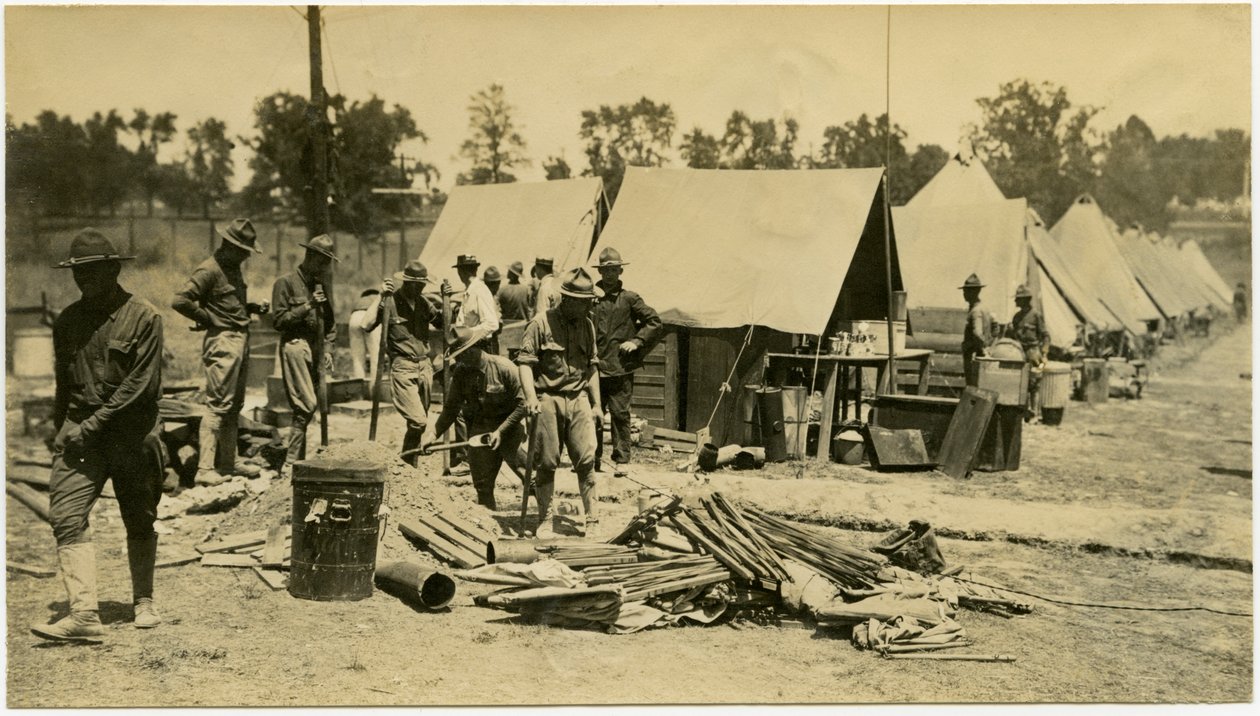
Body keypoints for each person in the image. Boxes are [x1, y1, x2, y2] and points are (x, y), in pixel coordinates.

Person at [32, 229, 166, 641]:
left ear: (112, 269)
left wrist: (88, 426)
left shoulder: (144, 317)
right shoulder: (68, 321)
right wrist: (60, 428)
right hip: (82, 435)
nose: (82, 279)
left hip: (132, 433)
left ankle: (143, 599)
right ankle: (85, 615)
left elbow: (138, 388)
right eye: (77, 272)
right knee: (66, 515)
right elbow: (62, 384)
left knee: (139, 517)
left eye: (91, 270)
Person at [171, 218, 268, 487]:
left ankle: (228, 463)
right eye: (243, 250)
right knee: (216, 406)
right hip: (223, 341)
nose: (247, 256)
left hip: (239, 338)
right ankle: (204, 469)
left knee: (233, 406)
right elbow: (180, 300)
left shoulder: (232, 268)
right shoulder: (209, 270)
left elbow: (228, 303)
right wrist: (208, 318)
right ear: (229, 245)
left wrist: (250, 308)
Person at [517, 268, 603, 539]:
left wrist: (597, 404)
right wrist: (531, 397)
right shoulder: (540, 324)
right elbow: (525, 364)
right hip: (548, 400)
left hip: (578, 400)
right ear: (568, 299)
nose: (589, 305)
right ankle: (546, 518)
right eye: (584, 301)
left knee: (586, 461)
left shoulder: (587, 325)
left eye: (590, 300)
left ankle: (593, 519)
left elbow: (591, 368)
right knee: (546, 463)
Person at [424, 327, 527, 509]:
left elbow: (523, 404)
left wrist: (501, 431)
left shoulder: (505, 368)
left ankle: (546, 515)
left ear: (474, 350)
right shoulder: (462, 373)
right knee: (482, 485)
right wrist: (433, 434)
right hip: (481, 431)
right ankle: (489, 523)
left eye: (462, 355)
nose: (460, 360)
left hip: (509, 428)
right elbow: (451, 409)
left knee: (530, 477)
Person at [363, 260, 442, 466]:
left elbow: (443, 322)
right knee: (418, 420)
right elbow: (366, 324)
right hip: (403, 368)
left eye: (424, 284)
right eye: (419, 284)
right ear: (408, 282)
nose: (422, 287)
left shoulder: (424, 303)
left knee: (417, 425)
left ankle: (408, 466)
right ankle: (404, 463)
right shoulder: (390, 301)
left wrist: (448, 300)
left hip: (424, 366)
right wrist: (380, 296)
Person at [590, 247, 662, 475]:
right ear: (600, 271)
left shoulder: (630, 299)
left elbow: (654, 322)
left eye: (614, 269)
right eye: (605, 270)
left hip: (620, 368)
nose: (609, 274)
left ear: (621, 270)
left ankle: (622, 460)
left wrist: (637, 341)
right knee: (593, 415)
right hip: (593, 369)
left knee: (620, 415)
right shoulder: (590, 298)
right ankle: (592, 461)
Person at [271, 234, 338, 475]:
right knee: (307, 404)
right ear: (310, 257)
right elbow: (278, 321)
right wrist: (307, 305)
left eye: (327, 263)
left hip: (317, 349)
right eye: (321, 261)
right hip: (295, 346)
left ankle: (295, 461)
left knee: (314, 406)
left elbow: (330, 323)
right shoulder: (285, 283)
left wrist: (329, 348)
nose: (324, 267)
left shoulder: (320, 286)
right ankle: (289, 463)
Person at [1003, 284, 1049, 421]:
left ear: (1026, 299)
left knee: (1034, 383)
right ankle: (1023, 411)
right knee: (1020, 382)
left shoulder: (1036, 315)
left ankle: (1034, 412)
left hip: (1033, 352)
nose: (1016, 301)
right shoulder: (1016, 317)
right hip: (1018, 352)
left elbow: (1045, 336)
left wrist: (1044, 354)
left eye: (1018, 299)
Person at [959, 273, 992, 387]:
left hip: (974, 356)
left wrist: (982, 349)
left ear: (973, 292)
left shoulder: (975, 311)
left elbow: (977, 333)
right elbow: (996, 327)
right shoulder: (985, 308)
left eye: (966, 291)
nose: (964, 294)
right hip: (981, 355)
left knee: (972, 387)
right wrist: (989, 346)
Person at [347, 288, 382, 381]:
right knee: (375, 355)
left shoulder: (360, 301)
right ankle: (375, 389)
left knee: (357, 357)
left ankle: (359, 388)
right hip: (369, 316)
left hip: (354, 318)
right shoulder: (378, 297)